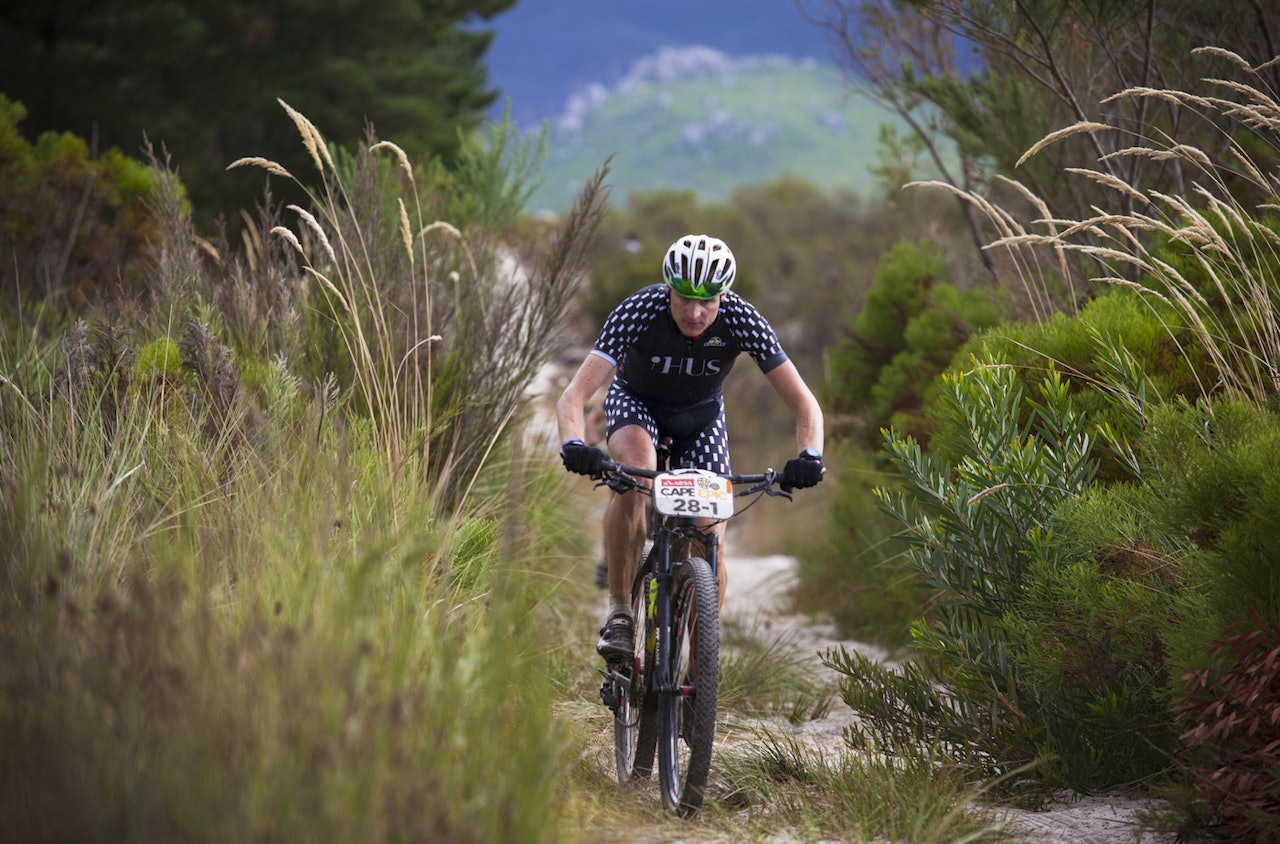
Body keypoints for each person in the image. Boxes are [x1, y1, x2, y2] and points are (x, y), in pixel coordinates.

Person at [556, 233, 825, 661]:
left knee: (709, 529)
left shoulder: (741, 318)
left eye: (708, 300)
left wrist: (810, 455)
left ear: (724, 295)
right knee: (634, 478)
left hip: (700, 419)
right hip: (635, 404)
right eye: (684, 299)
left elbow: (803, 402)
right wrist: (573, 444)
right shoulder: (638, 311)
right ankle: (621, 613)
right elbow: (573, 396)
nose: (696, 312)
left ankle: (702, 667)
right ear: (668, 290)